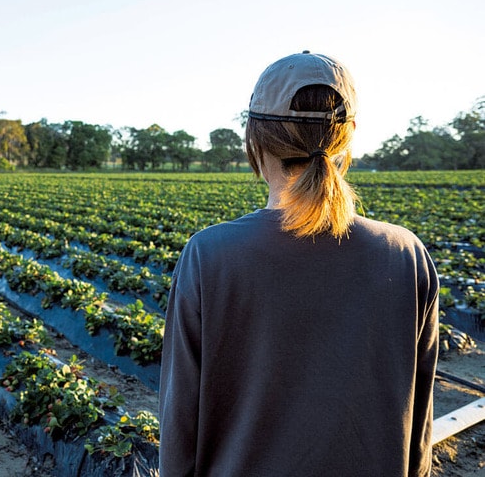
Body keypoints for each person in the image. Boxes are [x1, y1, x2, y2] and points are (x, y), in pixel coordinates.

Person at [159, 51, 439, 476]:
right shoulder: (406, 254)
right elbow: (418, 430)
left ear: (253, 138)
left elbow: (180, 425)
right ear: (348, 137)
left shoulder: (209, 256)